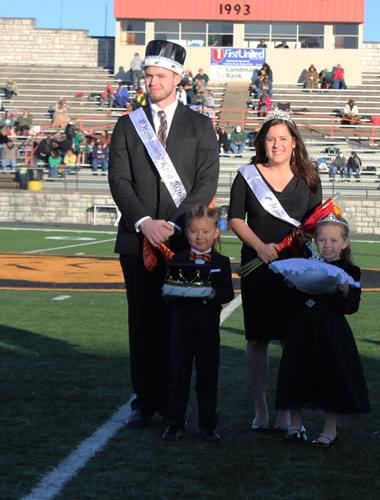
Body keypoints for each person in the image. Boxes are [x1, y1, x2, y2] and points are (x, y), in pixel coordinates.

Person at [108, 39, 219, 429]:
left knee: (179, 325)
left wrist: (173, 223)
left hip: (184, 241)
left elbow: (206, 182)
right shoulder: (127, 124)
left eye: (158, 75)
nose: (151, 81)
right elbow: (119, 181)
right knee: (142, 323)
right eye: (147, 75)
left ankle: (175, 405)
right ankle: (145, 400)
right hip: (136, 239)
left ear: (177, 78)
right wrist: (144, 221)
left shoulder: (201, 125)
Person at [228, 109, 322, 432]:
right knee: (257, 339)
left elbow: (315, 223)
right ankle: (261, 408)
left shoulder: (309, 177)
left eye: (283, 138)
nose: (276, 144)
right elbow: (235, 219)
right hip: (257, 267)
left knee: (292, 341)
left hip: (296, 270)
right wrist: (260, 246)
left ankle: (287, 410)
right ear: (262, 142)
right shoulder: (246, 175)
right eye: (270, 138)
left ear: (294, 143)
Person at [276, 213, 369, 446]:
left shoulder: (351, 271)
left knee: (332, 376)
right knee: (296, 374)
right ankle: (295, 426)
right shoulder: (305, 264)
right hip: (301, 329)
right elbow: (289, 301)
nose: (327, 245)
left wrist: (345, 291)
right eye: (322, 240)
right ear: (315, 241)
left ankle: (330, 429)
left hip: (331, 332)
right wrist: (290, 284)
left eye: (334, 240)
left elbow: (351, 307)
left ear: (345, 243)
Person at [161, 205, 234, 443]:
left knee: (207, 376)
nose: (199, 236)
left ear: (216, 233)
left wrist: (212, 294)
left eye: (205, 231)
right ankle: (174, 424)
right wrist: (174, 290)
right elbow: (167, 293)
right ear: (186, 233)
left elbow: (228, 294)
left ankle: (208, 425)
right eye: (193, 231)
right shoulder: (177, 259)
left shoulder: (221, 262)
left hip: (207, 330)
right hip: (180, 329)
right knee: (177, 376)